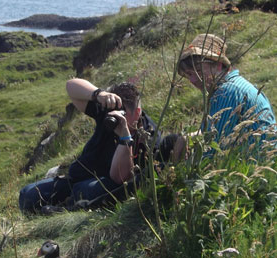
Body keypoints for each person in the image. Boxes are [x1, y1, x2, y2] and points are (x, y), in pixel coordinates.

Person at [19, 79, 177, 213]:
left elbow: (120, 177)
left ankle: (62, 209)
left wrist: (125, 137)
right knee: (27, 195)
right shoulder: (107, 114)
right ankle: (63, 205)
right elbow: (71, 86)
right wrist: (98, 94)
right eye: (113, 112)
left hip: (106, 184)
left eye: (122, 113)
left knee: (86, 191)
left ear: (137, 112)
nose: (114, 117)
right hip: (78, 177)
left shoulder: (148, 135)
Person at [175, 33, 276, 153]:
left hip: (254, 165)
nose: (192, 80)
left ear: (218, 65)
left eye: (198, 71)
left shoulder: (227, 92)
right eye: (189, 75)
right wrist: (185, 139)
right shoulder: (236, 85)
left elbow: (213, 150)